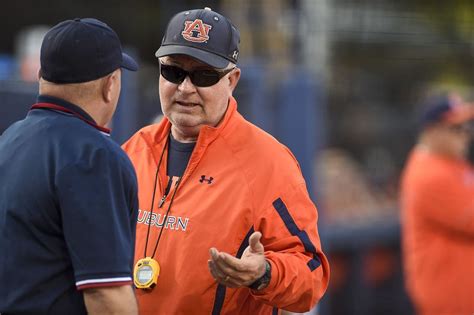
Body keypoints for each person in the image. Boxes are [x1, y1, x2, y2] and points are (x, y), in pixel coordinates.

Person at [122, 7, 330, 314]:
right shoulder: (134, 149)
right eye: (174, 72)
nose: (185, 88)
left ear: (231, 81)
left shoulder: (268, 162)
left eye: (204, 75)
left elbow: (311, 276)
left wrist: (264, 275)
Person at [0, 18, 140, 314]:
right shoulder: (94, 155)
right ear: (110, 85)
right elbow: (107, 296)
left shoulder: (10, 139)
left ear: (41, 76)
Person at [400, 94, 474, 315]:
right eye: (456, 128)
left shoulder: (452, 162)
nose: (466, 134)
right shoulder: (429, 174)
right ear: (432, 131)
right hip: (448, 297)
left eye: (466, 126)